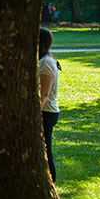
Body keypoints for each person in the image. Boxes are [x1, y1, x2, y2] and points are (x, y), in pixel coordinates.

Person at [38, 27, 60, 182]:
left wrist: (35, 113)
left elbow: (44, 93)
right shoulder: (44, 59)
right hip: (46, 110)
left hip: (46, 111)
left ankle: (51, 181)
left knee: (46, 148)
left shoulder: (46, 62)